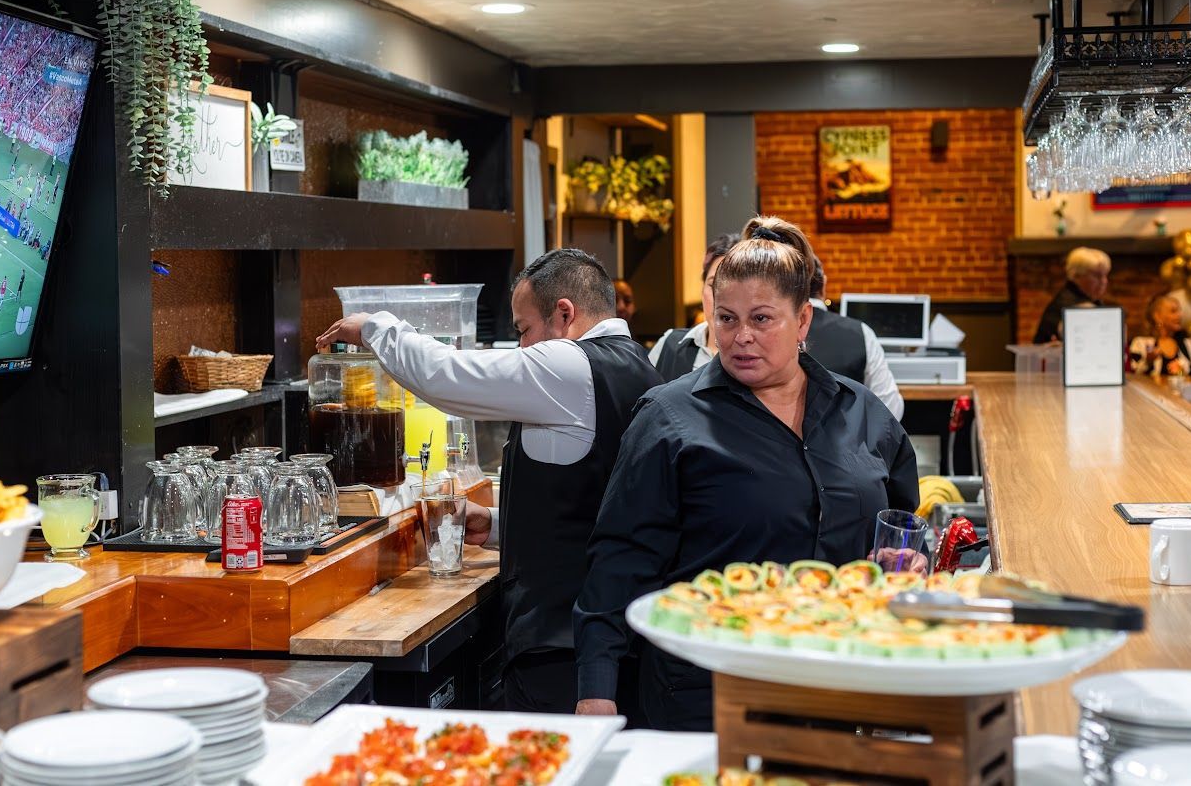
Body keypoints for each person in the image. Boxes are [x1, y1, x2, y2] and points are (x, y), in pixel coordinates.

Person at [574, 216, 920, 731]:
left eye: (762, 319)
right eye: (727, 318)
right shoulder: (668, 418)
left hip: (842, 687)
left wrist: (900, 556)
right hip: (711, 695)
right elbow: (620, 557)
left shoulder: (862, 412)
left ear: (803, 321)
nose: (740, 338)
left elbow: (899, 520)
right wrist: (596, 692)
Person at [316, 249, 661, 715]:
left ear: (565, 314)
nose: (522, 348)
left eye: (523, 331)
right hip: (613, 639)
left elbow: (450, 376)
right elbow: (591, 504)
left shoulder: (569, 365)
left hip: (565, 650)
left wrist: (376, 326)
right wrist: (499, 525)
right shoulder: (637, 363)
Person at [807, 256, 904, 420]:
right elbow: (890, 409)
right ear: (823, 284)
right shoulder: (862, 332)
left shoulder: (770, 332)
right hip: (848, 443)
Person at [649, 234, 739, 381]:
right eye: (713, 285)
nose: (721, 299)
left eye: (733, 288)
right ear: (702, 289)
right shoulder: (670, 343)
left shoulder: (756, 357)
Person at [1033, 247, 1113, 343]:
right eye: (1097, 276)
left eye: (1105, 275)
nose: (1103, 281)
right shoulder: (1073, 306)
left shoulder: (1074, 296)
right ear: (1077, 276)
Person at [1128, 293, 1191, 377]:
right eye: (1173, 311)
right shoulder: (1141, 343)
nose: (1180, 315)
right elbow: (1132, 376)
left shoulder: (1187, 343)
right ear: (1157, 316)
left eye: (1180, 310)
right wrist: (1148, 362)